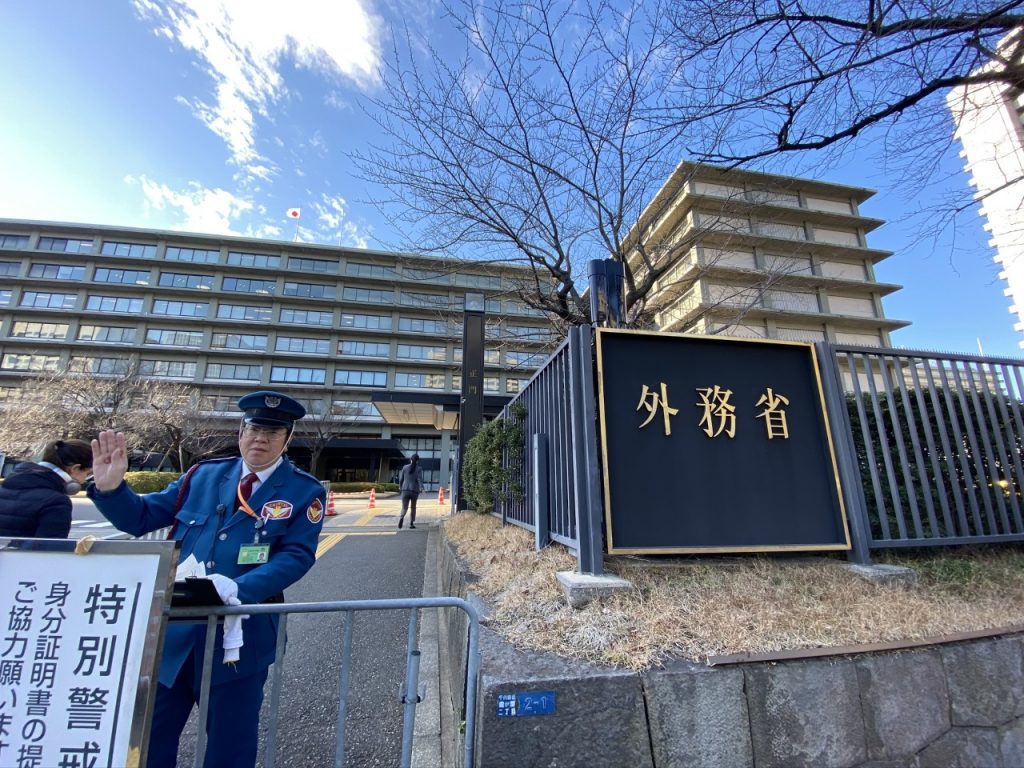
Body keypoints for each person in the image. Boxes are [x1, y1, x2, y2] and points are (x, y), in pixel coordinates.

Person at [88, 391, 325, 768]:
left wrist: (240, 590)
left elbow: (296, 556)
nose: (260, 438)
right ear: (240, 431)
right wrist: (112, 490)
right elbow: (141, 518)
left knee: (229, 748)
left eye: (272, 432)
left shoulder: (304, 491)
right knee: (149, 743)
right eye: (253, 428)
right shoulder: (202, 475)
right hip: (175, 636)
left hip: (240, 639)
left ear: (288, 438)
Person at [0, 439, 93, 539]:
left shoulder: (5, 487)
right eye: (87, 474)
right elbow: (49, 550)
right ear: (75, 468)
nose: (84, 481)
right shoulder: (56, 502)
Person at [397, 453, 424, 529]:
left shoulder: (405, 467)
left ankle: (401, 517)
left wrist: (400, 487)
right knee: (413, 507)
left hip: (405, 490)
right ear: (417, 461)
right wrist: (422, 489)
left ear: (410, 460)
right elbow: (419, 479)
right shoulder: (419, 469)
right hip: (414, 491)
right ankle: (411, 523)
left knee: (404, 507)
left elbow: (401, 479)